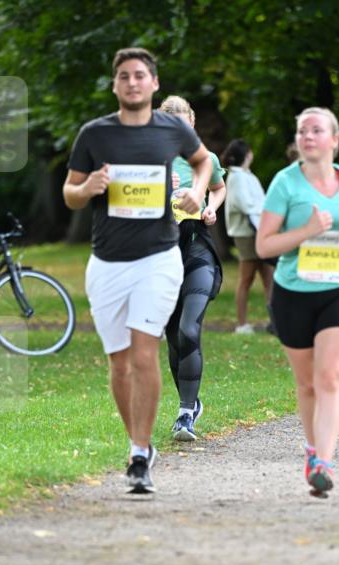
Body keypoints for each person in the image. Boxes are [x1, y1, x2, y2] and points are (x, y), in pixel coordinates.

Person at [63, 48, 213, 493]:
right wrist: (88, 187)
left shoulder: (172, 129)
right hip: (108, 261)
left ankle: (140, 454)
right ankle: (138, 441)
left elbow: (204, 161)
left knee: (144, 352)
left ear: (154, 83)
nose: (132, 82)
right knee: (120, 363)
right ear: (115, 84)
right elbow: (69, 193)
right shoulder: (95, 134)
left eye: (140, 75)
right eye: (124, 76)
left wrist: (197, 191)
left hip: (158, 257)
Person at [257, 107, 339, 496]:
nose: (307, 136)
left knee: (330, 378)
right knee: (307, 383)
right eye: (302, 131)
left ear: (334, 140)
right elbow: (264, 246)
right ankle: (312, 450)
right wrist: (307, 231)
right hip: (293, 293)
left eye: (316, 130)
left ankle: (324, 462)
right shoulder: (285, 183)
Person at [158, 96, 226, 441]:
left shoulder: (206, 159)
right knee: (174, 338)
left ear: (193, 123)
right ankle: (190, 402)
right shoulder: (150, 160)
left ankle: (185, 414)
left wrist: (212, 207)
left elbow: (219, 187)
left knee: (189, 329)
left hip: (197, 249)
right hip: (161, 255)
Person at [222, 138, 274, 334]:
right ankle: (242, 324)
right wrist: (264, 212)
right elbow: (244, 204)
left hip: (259, 231)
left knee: (268, 276)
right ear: (246, 155)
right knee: (247, 278)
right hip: (246, 233)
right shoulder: (236, 177)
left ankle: (275, 321)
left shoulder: (247, 175)